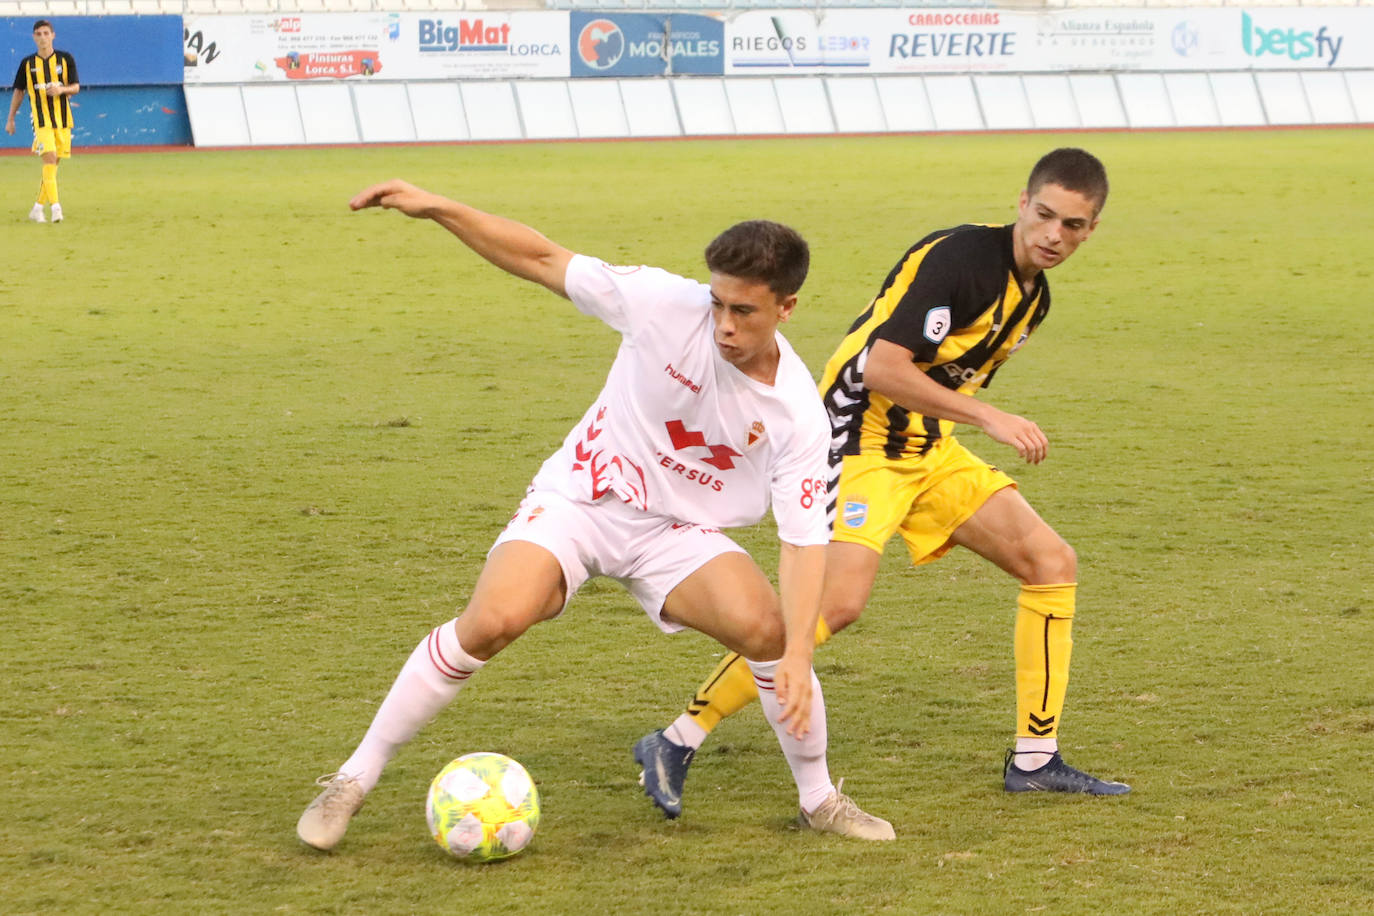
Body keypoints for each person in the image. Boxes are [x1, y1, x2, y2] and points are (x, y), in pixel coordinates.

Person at [295, 180, 895, 851]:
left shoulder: (797, 416)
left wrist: (798, 653)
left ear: (786, 308)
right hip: (583, 497)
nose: (724, 324)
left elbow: (803, 543)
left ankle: (820, 800)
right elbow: (542, 259)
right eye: (719, 302)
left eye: (745, 312)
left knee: (770, 632)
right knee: (492, 622)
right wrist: (440, 208)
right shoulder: (664, 303)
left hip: (676, 531)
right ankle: (352, 778)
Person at [635, 148, 1130, 818]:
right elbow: (882, 369)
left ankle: (1035, 762)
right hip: (856, 442)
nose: (1054, 235)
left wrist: (961, 424)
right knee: (831, 608)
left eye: (1072, 225)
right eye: (1045, 215)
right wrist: (990, 416)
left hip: (926, 448)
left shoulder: (1033, 298)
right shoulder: (960, 261)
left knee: (1051, 562)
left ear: (1090, 229)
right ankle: (676, 739)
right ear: (1022, 202)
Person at [6, 20, 79, 224]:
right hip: (40, 120)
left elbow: (75, 87)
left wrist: (61, 89)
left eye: (46, 33)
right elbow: (19, 92)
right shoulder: (27, 64)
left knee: (53, 165)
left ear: (53, 35)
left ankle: (38, 207)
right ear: (33, 37)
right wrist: (11, 118)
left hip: (63, 120)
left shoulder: (65, 59)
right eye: (38, 33)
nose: (42, 37)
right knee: (49, 158)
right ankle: (56, 208)